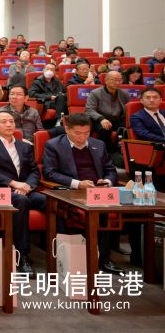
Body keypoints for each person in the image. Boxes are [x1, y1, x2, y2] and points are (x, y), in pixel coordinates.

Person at [41, 113, 123, 274]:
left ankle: (104, 258)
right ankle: (82, 256)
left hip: (99, 192)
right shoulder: (53, 145)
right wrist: (77, 184)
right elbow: (50, 173)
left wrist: (107, 182)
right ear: (67, 129)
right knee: (94, 210)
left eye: (86, 133)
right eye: (78, 133)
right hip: (72, 192)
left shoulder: (98, 144)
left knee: (111, 208)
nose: (82, 137)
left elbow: (110, 170)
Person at [0, 111, 45, 276]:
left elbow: (34, 171)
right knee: (21, 201)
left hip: (25, 189)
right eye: (4, 121)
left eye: (11, 121)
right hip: (0, 191)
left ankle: (58, 247)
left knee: (51, 201)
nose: (9, 124)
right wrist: (13, 184)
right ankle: (22, 254)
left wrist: (28, 186)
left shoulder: (24, 146)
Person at [85, 71, 129, 152]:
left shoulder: (124, 93)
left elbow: (127, 110)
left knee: (132, 127)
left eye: (120, 80)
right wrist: (101, 119)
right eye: (114, 80)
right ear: (106, 80)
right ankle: (104, 152)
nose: (118, 82)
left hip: (118, 120)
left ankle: (125, 152)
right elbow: (89, 109)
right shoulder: (95, 93)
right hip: (101, 119)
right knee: (105, 129)